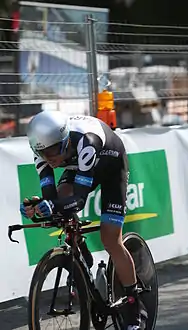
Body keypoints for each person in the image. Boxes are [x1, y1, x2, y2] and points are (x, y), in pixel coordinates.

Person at [20, 111, 141, 330]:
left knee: (110, 239)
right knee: (59, 205)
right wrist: (37, 207)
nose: (50, 158)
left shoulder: (87, 142)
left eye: (53, 151)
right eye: (43, 153)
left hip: (111, 165)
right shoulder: (43, 151)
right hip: (79, 167)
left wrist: (54, 205)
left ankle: (133, 306)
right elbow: (51, 199)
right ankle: (82, 256)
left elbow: (78, 201)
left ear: (65, 140)